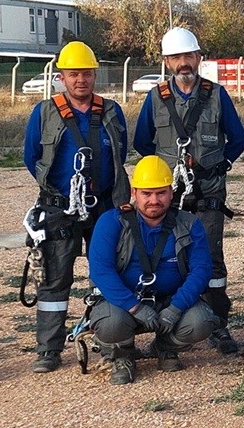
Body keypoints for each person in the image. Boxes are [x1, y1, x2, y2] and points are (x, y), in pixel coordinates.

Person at [132, 27, 244, 355]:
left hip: (209, 193)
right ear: (167, 62)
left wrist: (217, 165)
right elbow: (143, 142)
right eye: (177, 57)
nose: (184, 63)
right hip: (168, 195)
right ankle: (174, 322)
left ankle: (218, 325)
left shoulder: (216, 94)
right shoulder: (156, 98)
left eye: (189, 56)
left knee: (211, 260)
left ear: (199, 58)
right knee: (169, 256)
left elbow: (237, 138)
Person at [21, 40, 129, 373]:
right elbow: (31, 157)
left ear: (94, 75)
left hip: (103, 207)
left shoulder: (111, 111)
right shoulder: (44, 112)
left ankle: (111, 341)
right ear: (61, 77)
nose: (80, 80)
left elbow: (120, 154)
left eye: (85, 73)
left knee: (107, 273)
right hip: (58, 208)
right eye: (72, 74)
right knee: (55, 280)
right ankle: (48, 350)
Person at [86, 156, 218, 384]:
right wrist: (135, 307)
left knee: (201, 321)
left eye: (161, 193)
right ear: (134, 193)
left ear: (171, 192)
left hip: (169, 300)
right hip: (124, 303)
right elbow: (101, 272)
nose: (154, 200)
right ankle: (122, 355)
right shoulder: (112, 221)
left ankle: (164, 347)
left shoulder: (188, 223)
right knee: (110, 322)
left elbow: (201, 270)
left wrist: (176, 308)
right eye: (147, 194)